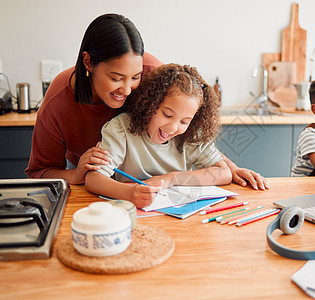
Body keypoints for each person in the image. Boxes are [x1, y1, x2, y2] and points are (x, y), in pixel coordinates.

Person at [25, 13, 268, 190]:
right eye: (116, 78)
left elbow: (185, 121)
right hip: (97, 185)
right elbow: (37, 173)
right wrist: (77, 174)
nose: (128, 89)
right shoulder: (59, 102)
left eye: (135, 77)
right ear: (88, 63)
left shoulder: (154, 74)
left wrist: (230, 168)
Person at [85, 64, 232, 208]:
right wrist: (129, 193)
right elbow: (93, 179)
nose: (173, 128)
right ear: (151, 103)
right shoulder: (120, 129)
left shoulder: (191, 134)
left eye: (184, 121)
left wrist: (171, 179)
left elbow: (223, 173)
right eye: (167, 115)